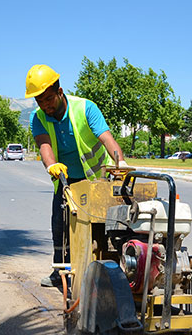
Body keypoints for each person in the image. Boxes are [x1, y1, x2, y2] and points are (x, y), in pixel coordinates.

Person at [25, 64, 126, 289]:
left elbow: (107, 139)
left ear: (60, 92)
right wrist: (52, 165)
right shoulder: (37, 117)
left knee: (101, 226)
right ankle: (60, 271)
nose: (45, 105)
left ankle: (105, 271)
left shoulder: (85, 108)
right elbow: (44, 145)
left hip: (96, 178)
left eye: (48, 99)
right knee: (60, 227)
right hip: (65, 179)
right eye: (39, 101)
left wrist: (121, 163)